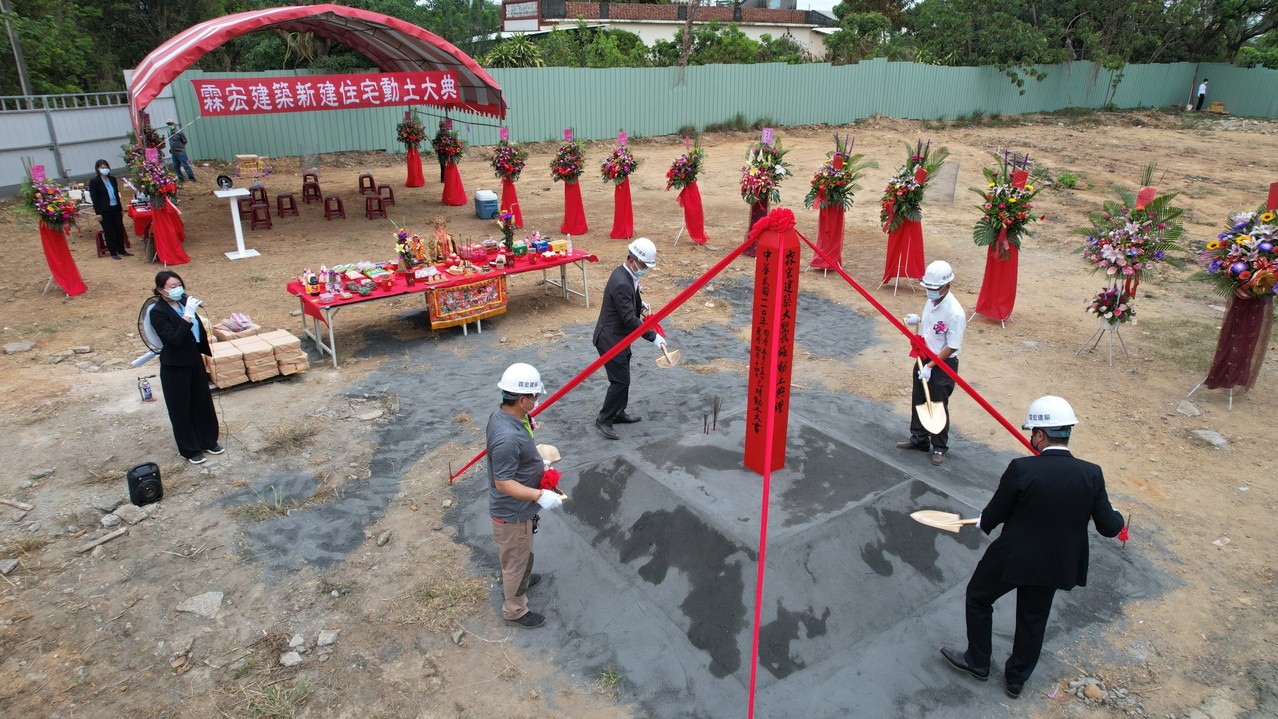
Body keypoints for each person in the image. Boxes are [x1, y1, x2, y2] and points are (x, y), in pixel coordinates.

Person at [940, 396, 1125, 698]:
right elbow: (1109, 527)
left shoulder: (1022, 469)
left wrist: (983, 522)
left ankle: (978, 661)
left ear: (1040, 434)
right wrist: (1114, 514)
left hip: (1013, 557)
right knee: (1033, 617)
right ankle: (1016, 679)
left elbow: (995, 513)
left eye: (1032, 434)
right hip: (1055, 562)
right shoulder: (1092, 474)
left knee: (978, 597)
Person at [486, 363, 562, 628]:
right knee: (516, 561)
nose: (537, 400)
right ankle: (515, 610)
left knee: (522, 553)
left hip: (521, 509)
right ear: (521, 399)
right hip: (512, 512)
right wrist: (539, 495)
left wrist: (536, 465)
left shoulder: (508, 417)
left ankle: (523, 580)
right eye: (534, 397)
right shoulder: (507, 437)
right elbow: (503, 483)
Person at [593, 238, 667, 440]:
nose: (645, 269)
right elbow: (628, 319)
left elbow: (631, 298)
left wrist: (641, 305)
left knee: (624, 377)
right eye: (643, 265)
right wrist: (653, 337)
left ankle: (618, 412)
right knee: (620, 381)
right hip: (610, 339)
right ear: (632, 260)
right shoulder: (621, 282)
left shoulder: (626, 274)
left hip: (620, 339)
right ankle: (605, 418)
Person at [148, 271, 223, 465]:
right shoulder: (157, 312)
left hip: (194, 360)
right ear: (160, 290)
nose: (177, 289)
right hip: (175, 364)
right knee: (181, 407)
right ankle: (189, 449)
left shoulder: (184, 303)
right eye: (172, 287)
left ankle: (208, 440)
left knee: (202, 402)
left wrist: (190, 311)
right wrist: (188, 316)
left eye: (179, 285)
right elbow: (174, 339)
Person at [896, 260, 965, 465]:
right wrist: (918, 320)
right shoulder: (931, 300)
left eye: (935, 289)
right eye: (928, 288)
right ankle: (919, 439)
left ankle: (939, 447)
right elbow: (932, 327)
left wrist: (931, 366)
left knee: (937, 405)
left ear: (947, 286)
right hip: (923, 357)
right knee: (919, 399)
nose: (930, 292)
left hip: (942, 364)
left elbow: (952, 346)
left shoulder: (954, 313)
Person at [87, 159, 130, 260]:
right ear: (98, 169)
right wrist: (98, 213)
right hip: (104, 210)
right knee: (109, 231)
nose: (105, 169)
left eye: (106, 167)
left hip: (115, 207)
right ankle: (113, 251)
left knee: (119, 229)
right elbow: (95, 198)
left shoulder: (112, 179)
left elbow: (116, 194)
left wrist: (120, 209)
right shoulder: (94, 182)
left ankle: (121, 249)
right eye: (102, 167)